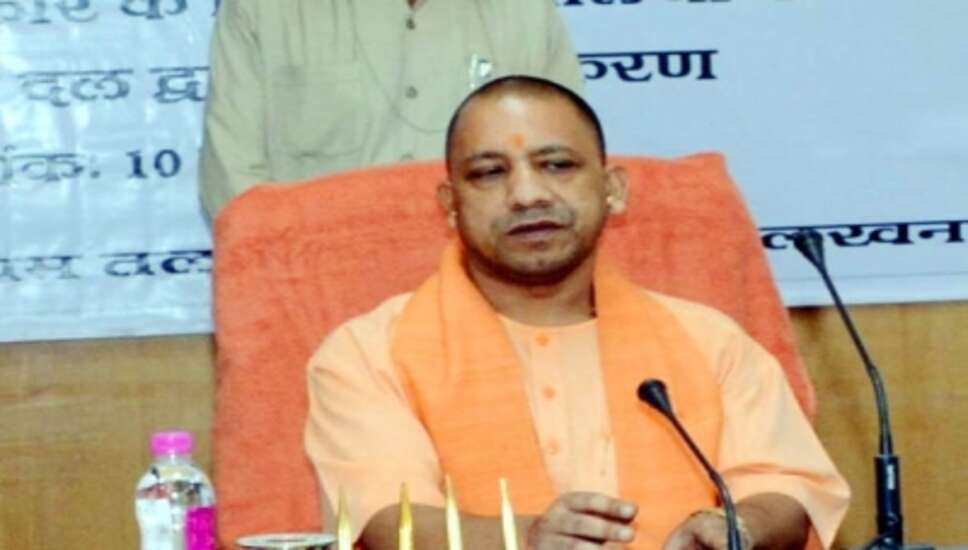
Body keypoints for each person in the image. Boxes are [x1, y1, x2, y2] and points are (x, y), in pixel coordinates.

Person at [304, 76, 850, 549]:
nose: (527, 194)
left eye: (557, 165)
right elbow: (388, 521)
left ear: (613, 189)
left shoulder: (709, 341)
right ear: (449, 205)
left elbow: (786, 488)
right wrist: (527, 540)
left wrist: (735, 527)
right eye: (489, 172)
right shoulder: (369, 353)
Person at [198, 0, 585, 218]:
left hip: (487, 293)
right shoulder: (263, 9)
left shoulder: (524, 10)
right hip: (321, 294)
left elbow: (567, 164)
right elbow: (234, 182)